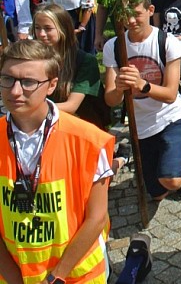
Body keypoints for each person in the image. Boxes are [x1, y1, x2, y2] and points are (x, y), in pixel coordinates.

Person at [0, 40, 114, 284]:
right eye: (8, 79)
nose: (15, 91)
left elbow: (97, 217)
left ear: (52, 85)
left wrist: (56, 277)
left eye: (29, 82)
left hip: (76, 276)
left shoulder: (87, 140)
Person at [103, 0, 181, 200]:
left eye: (136, 14)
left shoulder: (167, 42)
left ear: (150, 11)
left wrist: (142, 85)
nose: (130, 20)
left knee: (171, 180)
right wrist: (119, 89)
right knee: (157, 194)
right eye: (124, 15)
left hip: (170, 116)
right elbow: (111, 100)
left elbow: (171, 95)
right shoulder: (113, 46)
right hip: (141, 124)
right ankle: (171, 166)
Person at [33, 4, 110, 130]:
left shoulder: (85, 61)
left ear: (63, 29)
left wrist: (31, 108)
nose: (41, 34)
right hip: (46, 127)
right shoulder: (33, 61)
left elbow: (71, 106)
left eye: (48, 28)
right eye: (37, 28)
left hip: (82, 128)